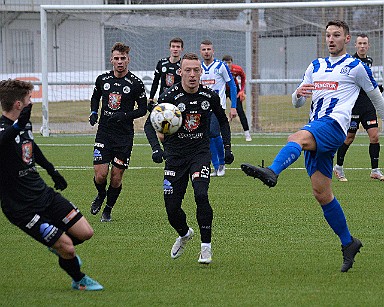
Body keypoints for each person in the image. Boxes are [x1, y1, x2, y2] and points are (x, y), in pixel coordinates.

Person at [241, 20, 384, 272]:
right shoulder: (315, 66)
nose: (331, 39)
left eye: (336, 35)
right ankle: (348, 242)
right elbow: (297, 102)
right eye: (328, 35)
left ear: (346, 39)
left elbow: (376, 98)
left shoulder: (356, 67)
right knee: (322, 194)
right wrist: (298, 93)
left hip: (334, 126)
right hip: (317, 125)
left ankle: (273, 171)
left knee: (295, 138)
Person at [0, 79, 103, 290]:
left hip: (43, 194)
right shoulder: (3, 130)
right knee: (67, 247)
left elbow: (31, 146)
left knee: (85, 233)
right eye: (29, 99)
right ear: (19, 104)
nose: (32, 102)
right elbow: (5, 139)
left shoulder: (24, 124)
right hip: (21, 208)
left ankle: (59, 248)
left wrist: (51, 170)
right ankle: (79, 280)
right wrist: (18, 126)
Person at [144, 52, 234, 264]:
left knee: (201, 195)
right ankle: (185, 234)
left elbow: (223, 121)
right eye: (188, 70)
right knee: (171, 209)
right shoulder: (169, 96)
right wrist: (156, 149)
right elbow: (149, 124)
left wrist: (227, 149)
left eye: (196, 70)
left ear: (200, 72)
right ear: (180, 72)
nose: (192, 75)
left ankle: (206, 248)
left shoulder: (208, 96)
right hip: (175, 156)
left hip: (200, 154)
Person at [89, 42, 147, 222]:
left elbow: (143, 109)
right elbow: (95, 96)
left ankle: (108, 209)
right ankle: (100, 195)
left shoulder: (136, 83)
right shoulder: (102, 79)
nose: (120, 62)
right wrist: (93, 112)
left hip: (124, 136)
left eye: (123, 58)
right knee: (101, 175)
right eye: (116, 58)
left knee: (116, 177)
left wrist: (124, 115)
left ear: (128, 59)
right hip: (104, 133)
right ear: (111, 60)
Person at [333, 33, 384, 181]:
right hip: (354, 106)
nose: (362, 46)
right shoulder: (350, 61)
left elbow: (367, 81)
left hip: (368, 105)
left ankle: (375, 170)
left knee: (374, 136)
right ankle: (339, 167)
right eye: (360, 43)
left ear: (368, 46)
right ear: (355, 45)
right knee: (349, 137)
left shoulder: (369, 61)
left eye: (364, 44)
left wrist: (377, 88)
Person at [200, 40, 237, 177]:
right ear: (201, 52)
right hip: (203, 109)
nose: (206, 52)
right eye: (204, 49)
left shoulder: (221, 66)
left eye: (209, 49)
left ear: (213, 51)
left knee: (214, 132)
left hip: (218, 108)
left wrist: (233, 106)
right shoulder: (199, 68)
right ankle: (216, 166)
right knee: (207, 136)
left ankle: (221, 164)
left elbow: (232, 86)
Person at [222, 55, 252, 142]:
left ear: (232, 63)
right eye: (225, 63)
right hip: (222, 90)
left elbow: (243, 77)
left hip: (234, 90)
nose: (227, 65)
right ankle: (218, 133)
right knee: (218, 110)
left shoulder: (237, 69)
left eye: (229, 63)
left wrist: (241, 90)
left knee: (240, 110)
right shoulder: (219, 69)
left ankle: (247, 133)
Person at [148, 37, 184, 104]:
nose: (175, 49)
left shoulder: (183, 64)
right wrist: (151, 98)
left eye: (178, 47)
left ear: (182, 49)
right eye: (173, 46)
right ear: (169, 48)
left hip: (178, 99)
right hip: (163, 97)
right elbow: (155, 81)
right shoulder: (161, 63)